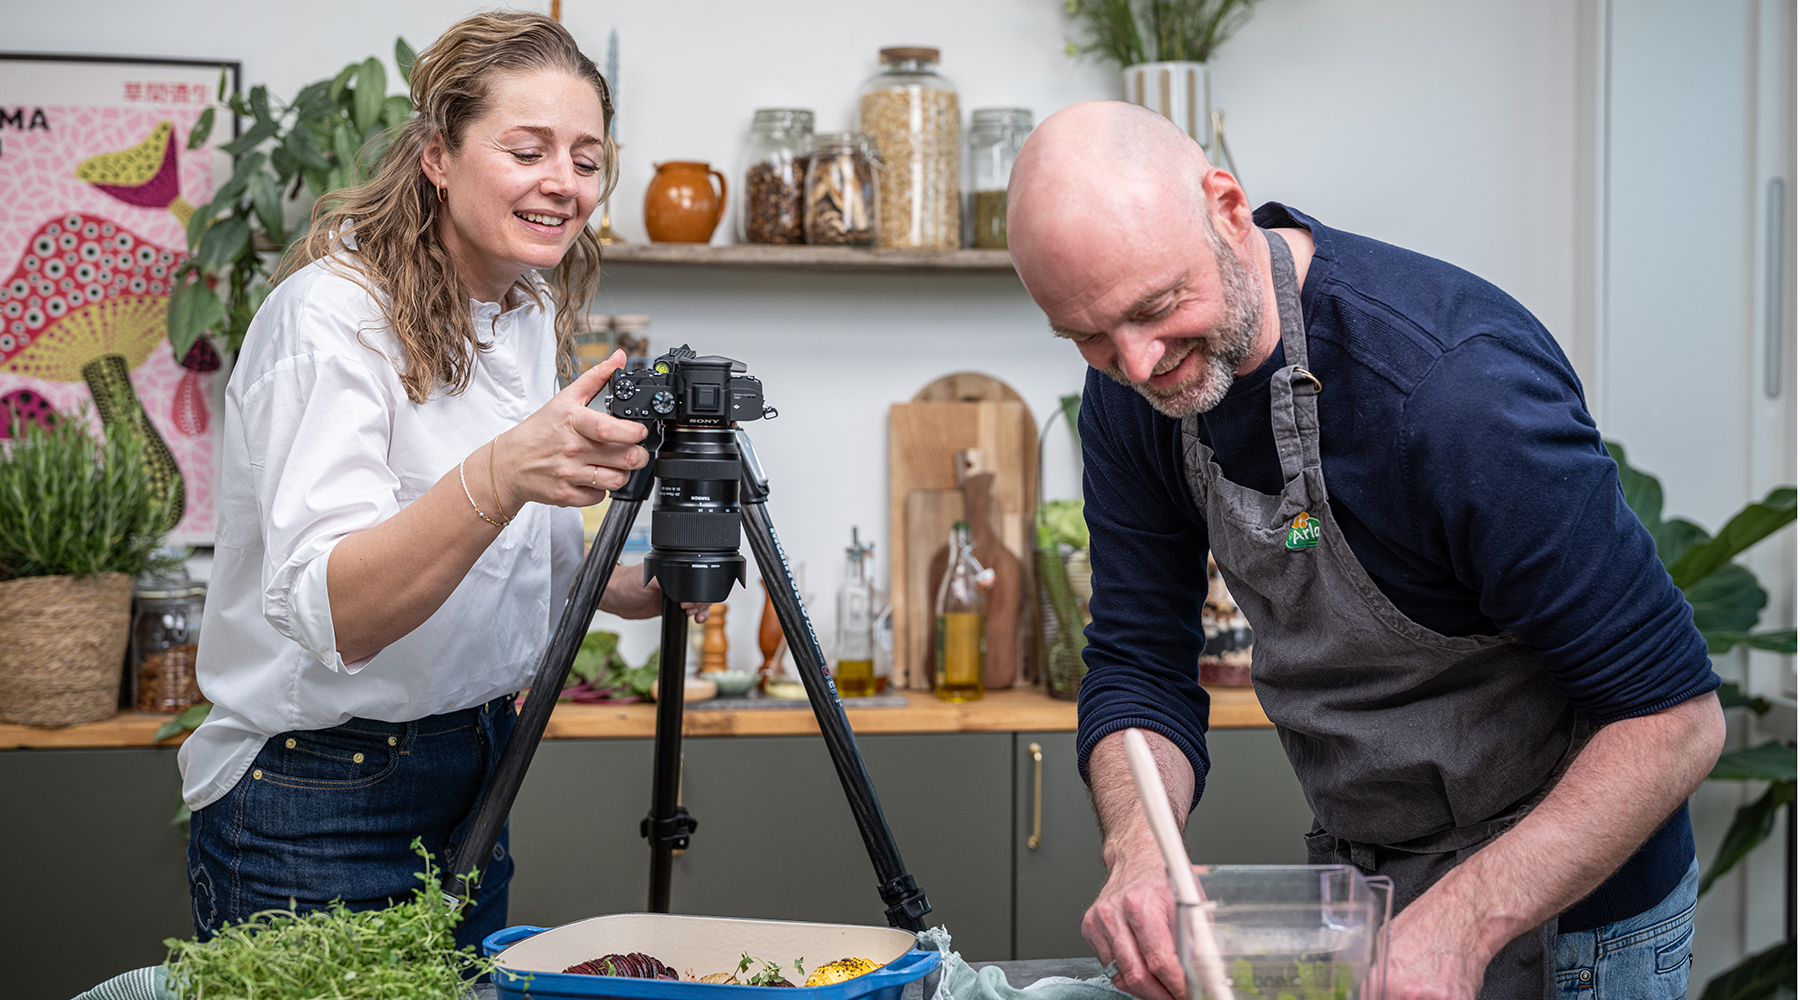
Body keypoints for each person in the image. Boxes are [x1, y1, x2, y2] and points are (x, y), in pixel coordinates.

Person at [1006, 101, 1726, 1000]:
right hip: (1368, 886)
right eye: (1089, 337)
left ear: (1228, 208)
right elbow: (1138, 663)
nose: (1140, 363)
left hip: (1572, 909)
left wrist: (1463, 923)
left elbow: (1674, 721)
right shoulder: (1131, 390)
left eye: (1157, 308)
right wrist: (1140, 849)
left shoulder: (1452, 388)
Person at [182, 12, 689, 948]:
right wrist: (502, 472)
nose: (562, 184)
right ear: (437, 156)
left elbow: (498, 545)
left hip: (479, 766)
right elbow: (340, 612)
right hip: (321, 794)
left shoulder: (524, 304)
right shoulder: (330, 318)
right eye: (527, 149)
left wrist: (618, 586)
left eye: (586, 157)